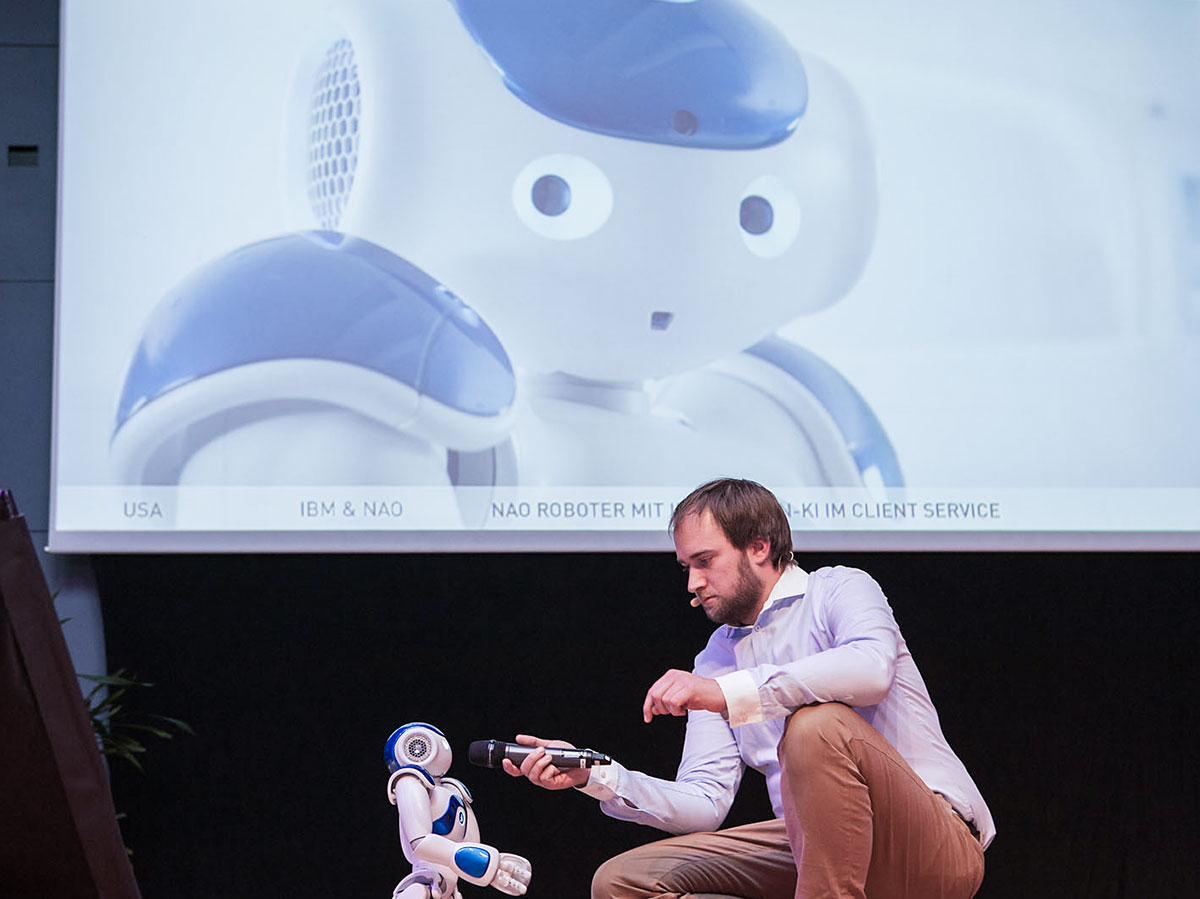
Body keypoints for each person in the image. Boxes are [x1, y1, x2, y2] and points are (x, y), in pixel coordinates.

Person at [504, 478, 993, 899]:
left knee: (816, 727)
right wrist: (595, 774)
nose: (692, 584)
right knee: (622, 881)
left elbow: (869, 671)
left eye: (704, 561)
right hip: (811, 850)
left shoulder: (839, 589)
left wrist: (730, 694)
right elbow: (703, 803)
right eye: (685, 568)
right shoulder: (716, 658)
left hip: (928, 844)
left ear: (758, 547)